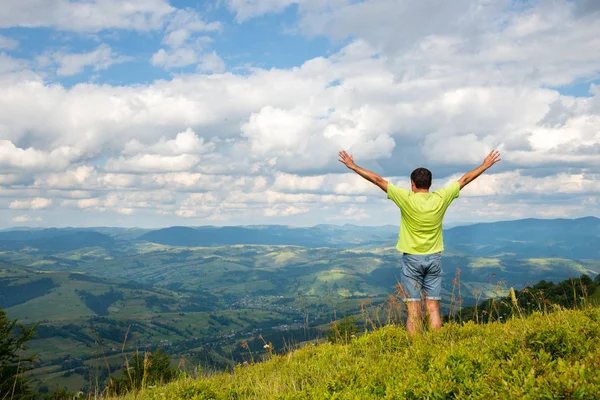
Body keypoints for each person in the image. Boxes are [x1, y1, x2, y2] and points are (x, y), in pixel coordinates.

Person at [338, 149, 501, 334]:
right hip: (434, 258)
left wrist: (352, 166)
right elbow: (464, 180)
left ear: (412, 184)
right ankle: (436, 344)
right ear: (430, 184)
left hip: (412, 260)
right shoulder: (441, 197)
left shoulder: (406, 198)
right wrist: (485, 165)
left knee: (413, 311)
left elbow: (378, 180)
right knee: (433, 307)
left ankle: (416, 350)